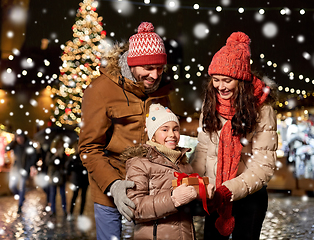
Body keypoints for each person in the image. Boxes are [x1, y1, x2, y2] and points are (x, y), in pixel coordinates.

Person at [79, 21, 171, 240]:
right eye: (148, 68)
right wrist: (114, 184)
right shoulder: (100, 90)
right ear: (130, 64)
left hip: (151, 189)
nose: (155, 75)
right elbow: (88, 148)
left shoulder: (160, 88)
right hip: (111, 188)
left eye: (159, 68)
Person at [190, 32, 278, 239]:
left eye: (227, 80)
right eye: (216, 80)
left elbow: (263, 165)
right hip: (214, 195)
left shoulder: (262, 110)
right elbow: (203, 149)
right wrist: (194, 181)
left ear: (241, 81)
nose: (220, 86)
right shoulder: (210, 105)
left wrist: (228, 191)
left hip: (249, 196)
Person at [123, 103, 213, 240]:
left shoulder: (184, 164)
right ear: (152, 134)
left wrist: (204, 196)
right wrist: (173, 198)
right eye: (165, 130)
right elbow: (135, 208)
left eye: (175, 129)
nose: (172, 134)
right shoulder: (139, 163)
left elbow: (189, 210)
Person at [6, 131, 37, 214]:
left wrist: (31, 166)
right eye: (18, 137)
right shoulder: (15, 145)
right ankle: (21, 197)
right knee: (12, 186)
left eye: (21, 137)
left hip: (24, 169)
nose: (20, 139)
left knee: (22, 187)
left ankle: (20, 206)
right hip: (15, 169)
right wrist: (13, 141)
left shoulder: (28, 145)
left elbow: (34, 156)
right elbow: (7, 148)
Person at [46, 136, 68, 218]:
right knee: (53, 194)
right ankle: (53, 210)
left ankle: (65, 210)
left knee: (62, 194)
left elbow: (66, 165)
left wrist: (62, 157)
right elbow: (48, 162)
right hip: (53, 176)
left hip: (61, 176)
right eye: (58, 144)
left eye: (61, 144)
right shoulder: (51, 152)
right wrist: (55, 156)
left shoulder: (64, 154)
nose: (60, 146)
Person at [66, 141, 89, 221]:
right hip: (77, 180)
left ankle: (80, 214)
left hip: (84, 180)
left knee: (83, 198)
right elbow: (69, 167)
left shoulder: (85, 157)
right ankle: (71, 213)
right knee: (74, 197)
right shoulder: (74, 158)